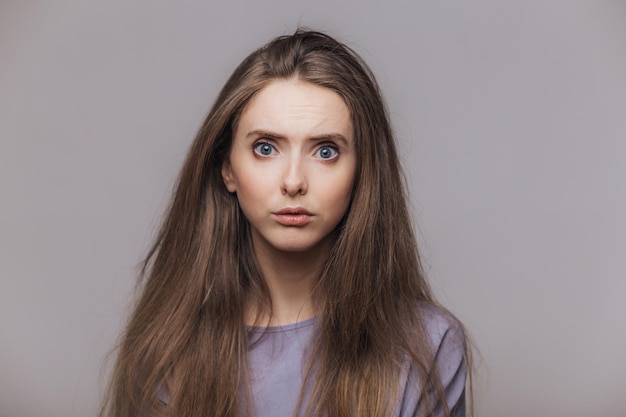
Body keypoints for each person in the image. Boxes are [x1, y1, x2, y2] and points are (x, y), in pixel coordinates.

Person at [99, 29, 472, 417]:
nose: (293, 182)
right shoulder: (168, 347)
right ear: (227, 168)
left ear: (363, 172)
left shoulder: (428, 346)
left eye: (325, 151)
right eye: (266, 148)